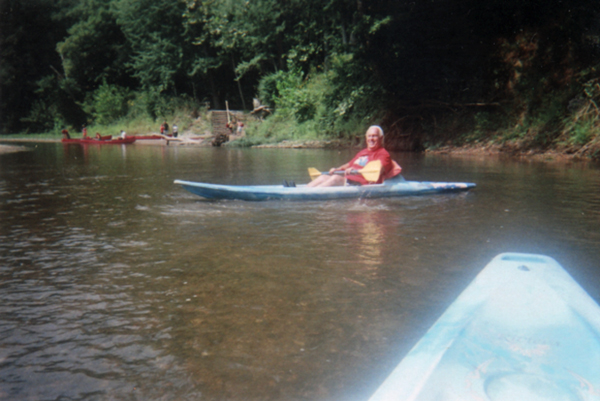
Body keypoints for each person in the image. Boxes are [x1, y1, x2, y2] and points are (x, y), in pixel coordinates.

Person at [306, 125, 400, 187]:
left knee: (335, 178)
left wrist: (355, 172)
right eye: (369, 136)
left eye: (374, 136)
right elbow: (348, 165)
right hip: (348, 180)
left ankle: (309, 195)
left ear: (381, 138)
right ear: (366, 138)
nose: (371, 139)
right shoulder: (362, 152)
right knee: (324, 177)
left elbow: (380, 170)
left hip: (359, 184)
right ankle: (304, 191)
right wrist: (336, 169)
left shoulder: (383, 154)